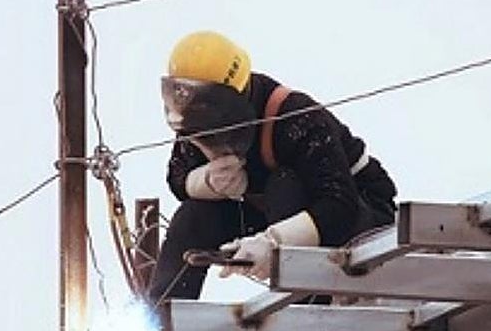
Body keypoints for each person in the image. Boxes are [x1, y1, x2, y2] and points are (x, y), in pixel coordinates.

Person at [145, 30, 398, 308]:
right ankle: (159, 322)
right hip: (273, 217)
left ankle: (308, 309)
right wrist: (207, 182)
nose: (202, 143)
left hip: (359, 217)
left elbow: (339, 205)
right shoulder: (195, 122)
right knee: (194, 215)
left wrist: (273, 242)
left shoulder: (295, 118)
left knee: (284, 184)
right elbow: (177, 178)